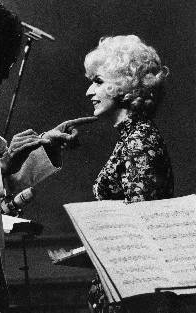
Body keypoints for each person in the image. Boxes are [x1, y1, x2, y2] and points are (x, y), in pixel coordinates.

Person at [0, 3, 96, 313]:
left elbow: (4, 180)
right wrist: (2, 166)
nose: (7, 74)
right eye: (1, 63)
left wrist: (45, 146)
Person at [84, 35, 174, 312]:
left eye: (98, 81)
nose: (89, 92)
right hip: (121, 282)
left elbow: (139, 224)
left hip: (131, 290)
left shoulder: (140, 139)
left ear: (124, 84)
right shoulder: (133, 137)